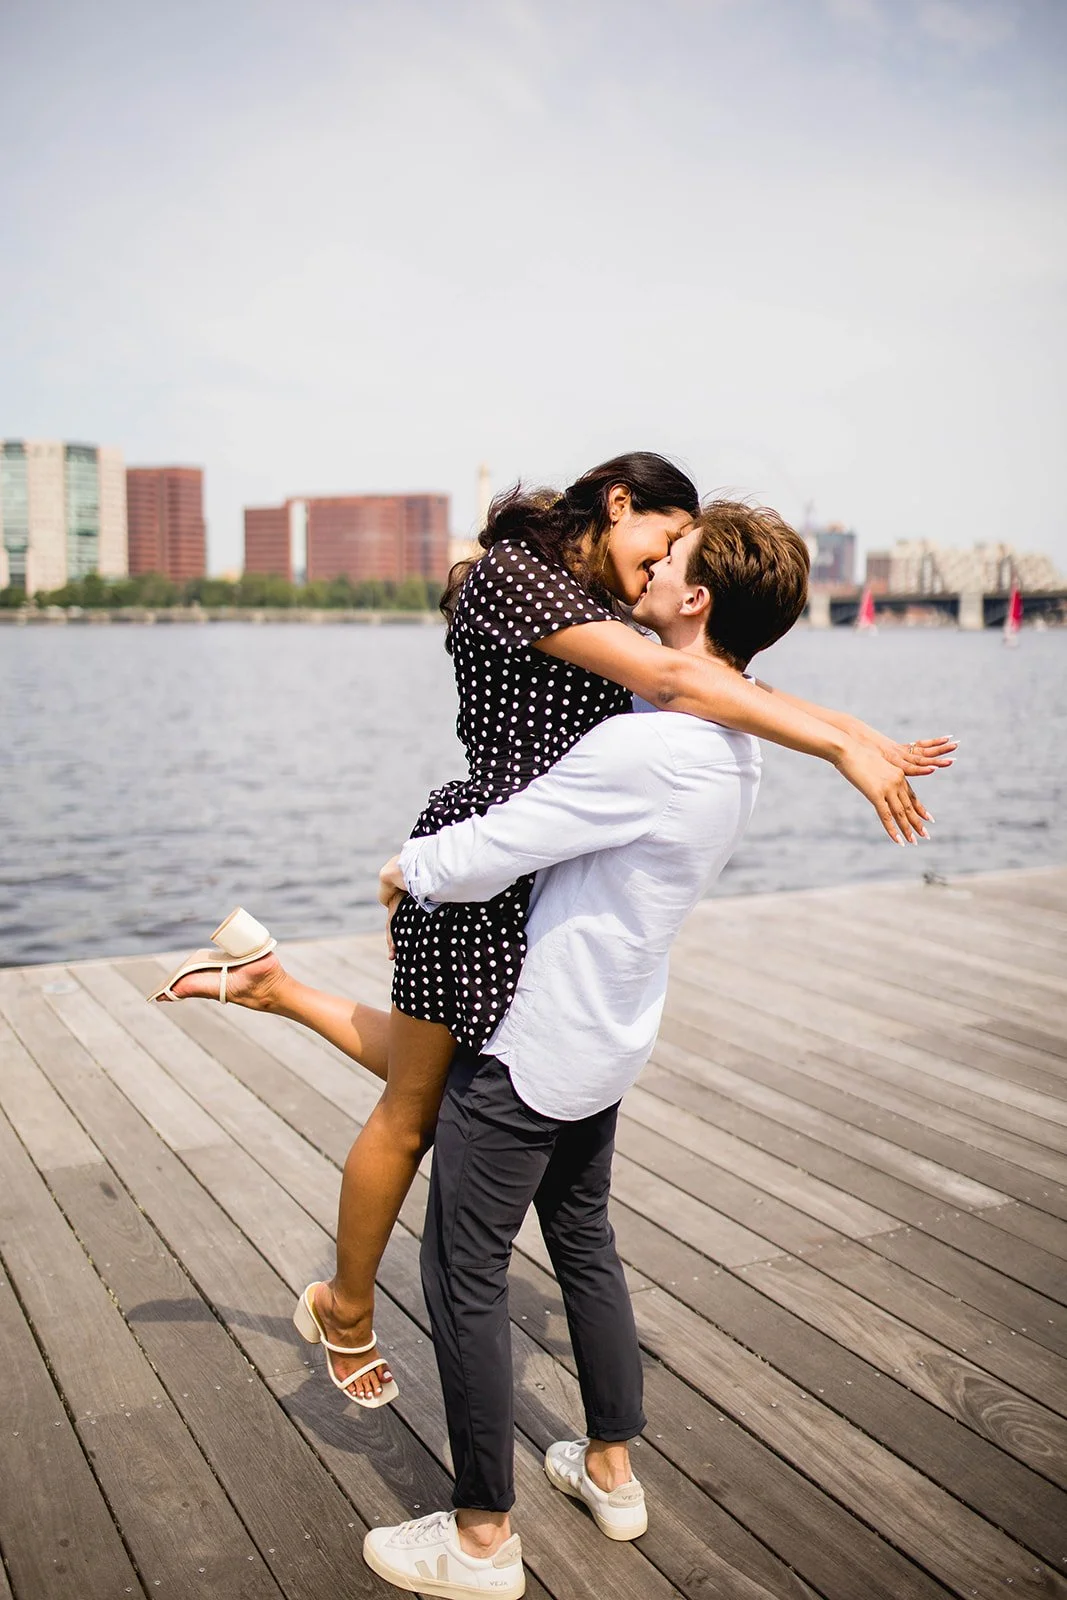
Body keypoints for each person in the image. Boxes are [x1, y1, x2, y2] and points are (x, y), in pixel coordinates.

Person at [153, 460, 952, 1407]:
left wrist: (856, 730)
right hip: (486, 859)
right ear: (618, 504)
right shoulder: (514, 574)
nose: (659, 564)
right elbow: (671, 675)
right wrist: (837, 751)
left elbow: (710, 679)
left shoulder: (617, 600)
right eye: (659, 542)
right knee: (419, 1113)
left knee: (465, 1085)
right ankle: (349, 1309)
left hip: (547, 864)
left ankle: (272, 987)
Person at [361, 503, 901, 1597]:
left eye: (669, 561)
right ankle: (608, 1467)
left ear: (693, 600)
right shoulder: (729, 742)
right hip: (610, 1036)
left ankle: (478, 1539)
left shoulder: (643, 742)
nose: (648, 567)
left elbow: (499, 848)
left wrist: (406, 865)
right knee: (582, 1239)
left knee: (461, 1272)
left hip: (533, 1044)